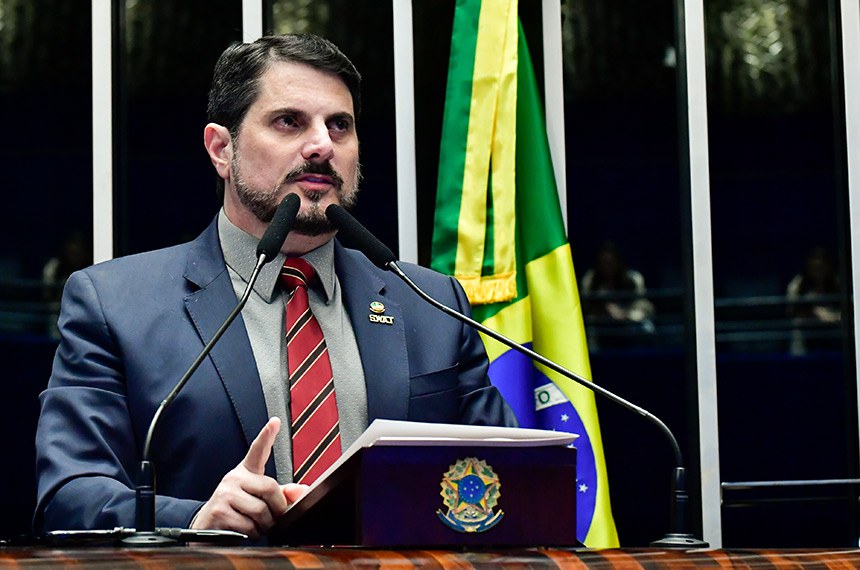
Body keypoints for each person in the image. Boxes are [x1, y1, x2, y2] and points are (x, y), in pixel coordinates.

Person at [34, 34, 516, 541]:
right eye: (290, 122)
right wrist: (193, 520)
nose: (322, 145)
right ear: (222, 149)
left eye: (340, 126)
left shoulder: (432, 306)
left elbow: (512, 483)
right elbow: (70, 496)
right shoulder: (115, 305)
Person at [580, 241, 655, 349]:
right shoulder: (591, 279)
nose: (607, 267)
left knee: (647, 327)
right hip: (600, 324)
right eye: (604, 262)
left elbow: (641, 307)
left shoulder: (633, 279)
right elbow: (586, 307)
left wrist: (622, 313)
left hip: (627, 321)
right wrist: (604, 311)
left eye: (611, 262)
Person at [786, 246, 841, 355]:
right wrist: (814, 313)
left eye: (821, 268)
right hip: (805, 337)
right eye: (814, 268)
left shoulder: (837, 283)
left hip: (832, 335)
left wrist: (829, 317)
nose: (817, 272)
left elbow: (845, 312)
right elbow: (792, 312)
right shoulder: (797, 284)